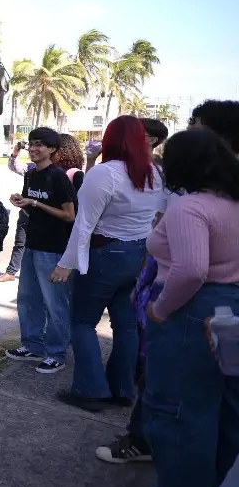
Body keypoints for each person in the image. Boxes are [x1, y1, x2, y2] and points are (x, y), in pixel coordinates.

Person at [97, 107, 239, 466]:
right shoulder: (224, 197)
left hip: (188, 305)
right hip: (218, 301)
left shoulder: (193, 205)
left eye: (197, 131)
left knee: (175, 400)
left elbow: (191, 269)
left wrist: (159, 308)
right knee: (215, 403)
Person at [52, 115, 163, 411]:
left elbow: (84, 223)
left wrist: (67, 263)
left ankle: (90, 390)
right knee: (126, 326)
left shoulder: (106, 173)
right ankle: (122, 388)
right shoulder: (153, 172)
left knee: (83, 322)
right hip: (138, 254)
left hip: (106, 254)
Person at [5, 128, 77, 374]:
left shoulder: (58, 177)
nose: (34, 149)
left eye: (40, 145)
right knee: (28, 299)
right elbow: (34, 210)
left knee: (55, 303)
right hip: (33, 245)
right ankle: (32, 345)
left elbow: (69, 215)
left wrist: (35, 203)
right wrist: (23, 204)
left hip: (54, 250)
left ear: (52, 150)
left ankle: (56, 353)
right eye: (32, 144)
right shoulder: (32, 174)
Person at [0, 141, 33, 282]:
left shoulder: (55, 172)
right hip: (25, 211)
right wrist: (16, 151)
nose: (33, 150)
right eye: (32, 146)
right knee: (20, 242)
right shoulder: (31, 168)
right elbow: (14, 166)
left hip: (44, 215)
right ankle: (11, 272)